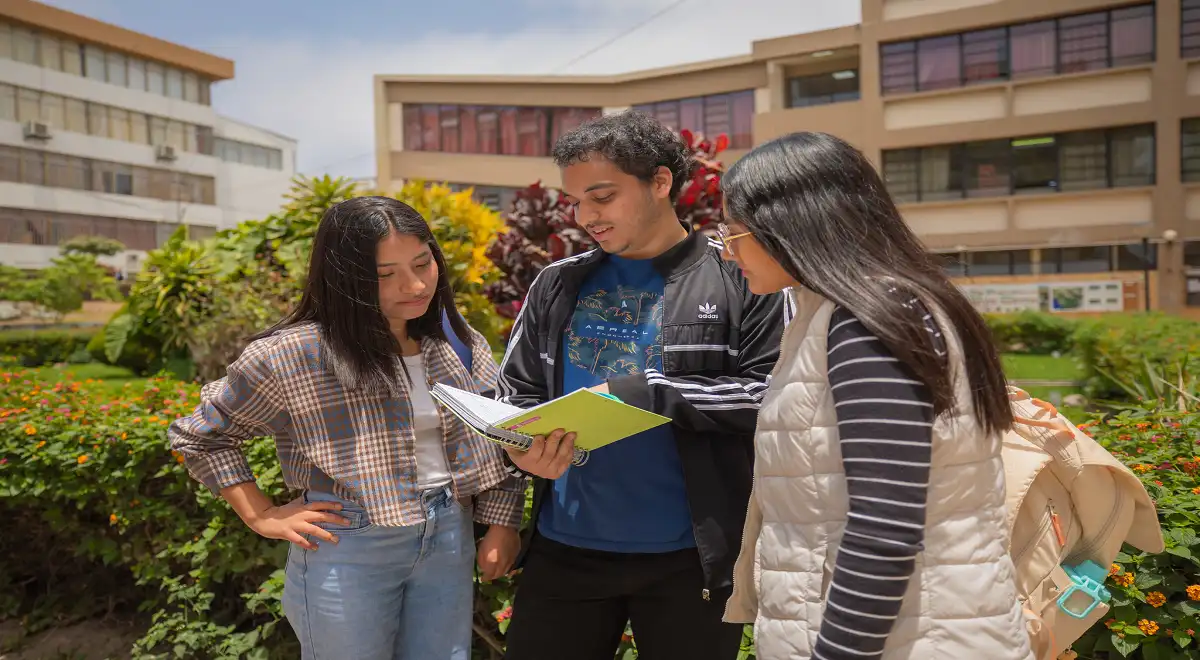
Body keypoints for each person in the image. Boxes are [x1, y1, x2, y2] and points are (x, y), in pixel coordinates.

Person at [717, 131, 1035, 660]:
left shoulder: (867, 323)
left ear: (793, 224)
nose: (729, 253)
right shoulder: (850, 311)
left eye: (734, 234)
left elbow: (885, 529)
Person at [168, 196, 525, 660]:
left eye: (422, 263)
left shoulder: (457, 341)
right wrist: (262, 515)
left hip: (448, 535)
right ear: (344, 278)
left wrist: (501, 522)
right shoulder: (293, 355)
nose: (415, 284)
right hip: (349, 543)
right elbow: (201, 435)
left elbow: (497, 433)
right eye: (385, 274)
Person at [495, 110, 787, 660]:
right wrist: (520, 449)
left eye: (602, 197)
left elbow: (773, 396)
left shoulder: (741, 276)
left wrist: (655, 393)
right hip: (565, 549)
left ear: (660, 181)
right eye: (576, 202)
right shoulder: (557, 283)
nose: (586, 217)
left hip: (691, 558)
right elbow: (516, 392)